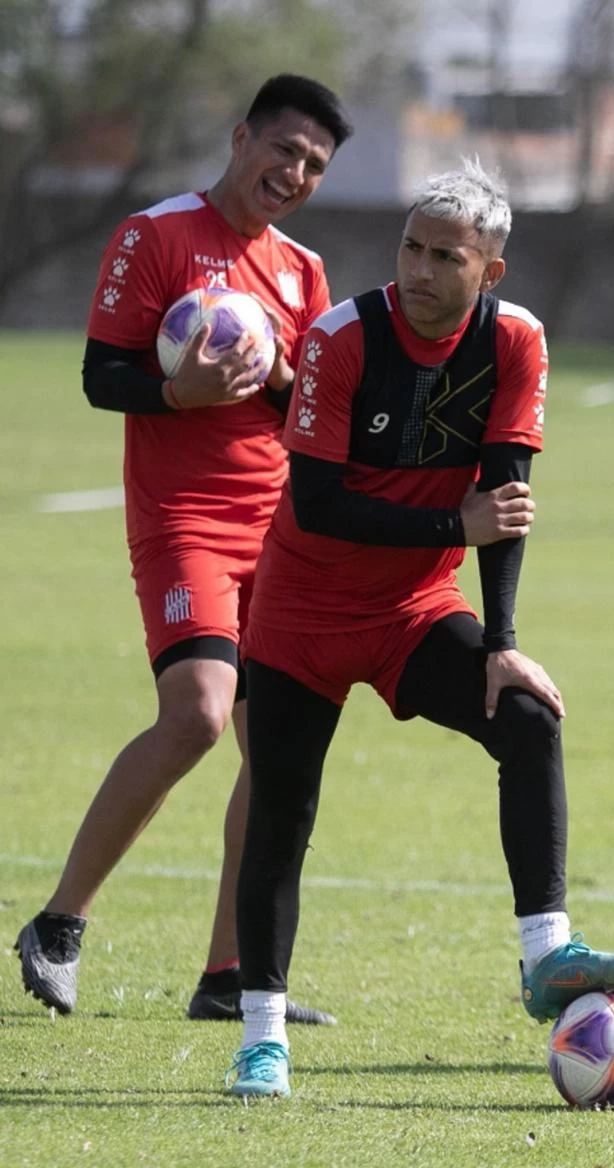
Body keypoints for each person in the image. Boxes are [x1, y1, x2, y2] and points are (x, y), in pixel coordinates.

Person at [222, 159, 614, 1098]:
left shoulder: (516, 341)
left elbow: (506, 501)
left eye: (445, 255)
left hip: (415, 612)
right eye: (411, 248)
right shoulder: (339, 337)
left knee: (531, 717)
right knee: (281, 813)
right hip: (299, 613)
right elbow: (319, 502)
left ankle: (545, 955)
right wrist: (448, 527)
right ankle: (262, 1038)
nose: (420, 269)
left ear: (489, 269)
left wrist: (501, 640)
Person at [15, 74, 353, 1025]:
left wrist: (285, 371)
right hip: (185, 522)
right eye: (283, 149)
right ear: (241, 136)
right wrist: (177, 394)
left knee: (275, 750)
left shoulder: (302, 271)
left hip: (277, 532)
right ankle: (59, 922)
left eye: (315, 165)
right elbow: (100, 374)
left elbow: (312, 413)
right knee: (199, 714)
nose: (294, 173)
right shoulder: (155, 235)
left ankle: (230, 975)